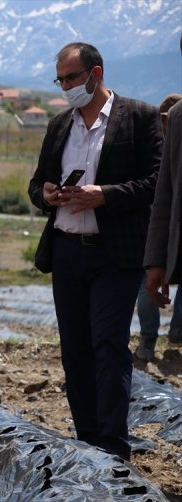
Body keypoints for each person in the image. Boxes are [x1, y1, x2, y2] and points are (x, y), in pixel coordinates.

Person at [28, 42, 163, 460]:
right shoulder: (59, 125)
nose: (66, 86)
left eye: (72, 77)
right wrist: (47, 195)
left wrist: (104, 195)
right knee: (75, 349)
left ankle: (113, 445)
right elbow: (37, 184)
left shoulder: (138, 117)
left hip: (115, 255)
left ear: (96, 73)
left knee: (108, 345)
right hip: (68, 251)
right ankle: (86, 441)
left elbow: (158, 181)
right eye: (61, 79)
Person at [134, 93, 182, 361]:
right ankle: (160, 337)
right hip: (156, 229)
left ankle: (150, 341)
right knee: (147, 284)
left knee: (145, 284)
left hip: (155, 229)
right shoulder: (165, 137)